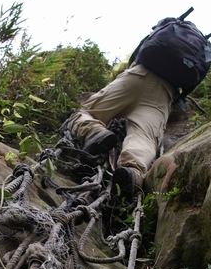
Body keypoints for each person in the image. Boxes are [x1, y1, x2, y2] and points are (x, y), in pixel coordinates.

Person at [68, 62, 176, 202]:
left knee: (85, 112)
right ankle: (132, 172)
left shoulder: (154, 50)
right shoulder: (191, 63)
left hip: (137, 75)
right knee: (144, 138)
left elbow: (119, 69)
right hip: (164, 92)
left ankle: (94, 131)